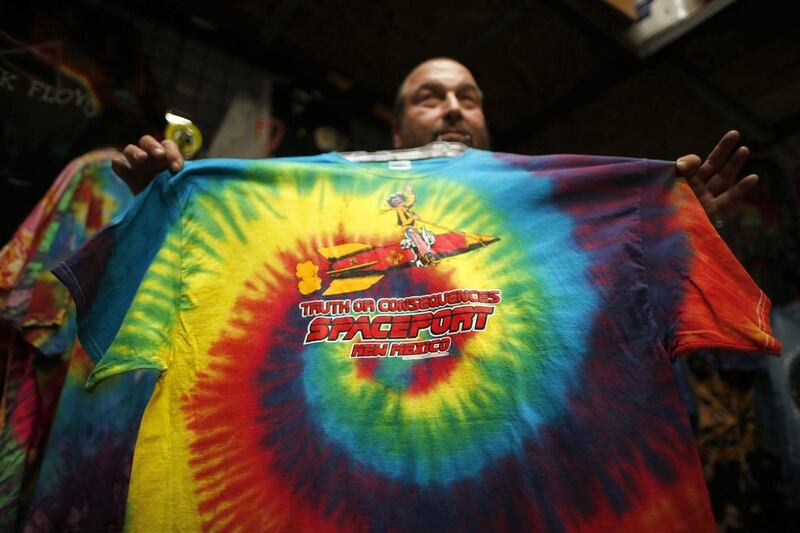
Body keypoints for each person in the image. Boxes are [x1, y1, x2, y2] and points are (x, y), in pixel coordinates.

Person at [112, 58, 759, 224]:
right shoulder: (332, 182)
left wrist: (679, 230)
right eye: (431, 96)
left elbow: (631, 293)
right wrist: (169, 202)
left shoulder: (555, 197)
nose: (453, 107)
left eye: (468, 96)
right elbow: (231, 239)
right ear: (396, 128)